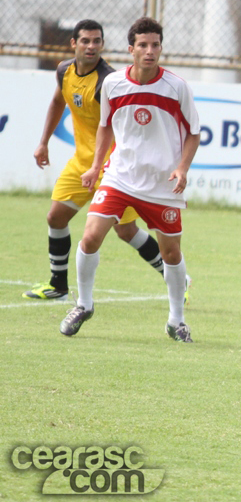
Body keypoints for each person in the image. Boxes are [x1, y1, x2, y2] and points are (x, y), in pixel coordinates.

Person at [58, 17, 200, 343]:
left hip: (162, 185)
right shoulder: (113, 84)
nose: (150, 52)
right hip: (120, 176)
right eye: (143, 46)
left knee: (172, 254)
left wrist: (182, 169)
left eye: (155, 45)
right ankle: (84, 305)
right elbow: (106, 126)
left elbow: (193, 133)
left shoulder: (177, 87)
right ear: (131, 49)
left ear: (161, 48)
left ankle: (176, 320)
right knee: (91, 236)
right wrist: (96, 167)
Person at [24, 19, 169, 301]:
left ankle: (174, 275)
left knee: (126, 231)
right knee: (56, 217)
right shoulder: (64, 71)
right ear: (73, 44)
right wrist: (43, 142)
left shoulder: (109, 82)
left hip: (112, 167)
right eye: (86, 41)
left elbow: (119, 127)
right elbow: (58, 102)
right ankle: (58, 285)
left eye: (97, 41)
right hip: (82, 163)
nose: (92, 46)